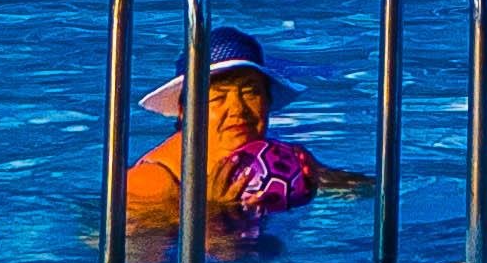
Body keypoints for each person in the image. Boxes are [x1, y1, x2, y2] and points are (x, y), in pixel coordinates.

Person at [122, 28, 339, 232]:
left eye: (250, 93)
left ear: (268, 101)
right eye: (218, 97)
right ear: (184, 111)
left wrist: (316, 178)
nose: (238, 109)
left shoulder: (273, 162)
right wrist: (214, 215)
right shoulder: (150, 186)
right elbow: (130, 257)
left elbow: (355, 192)